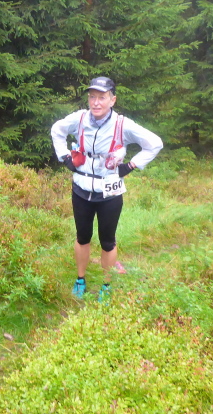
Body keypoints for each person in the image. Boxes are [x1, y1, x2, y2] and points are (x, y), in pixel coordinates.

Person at [51, 76, 163, 300]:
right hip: (81, 188)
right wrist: (64, 157)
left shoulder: (122, 125)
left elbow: (154, 144)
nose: (96, 102)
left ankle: (106, 284)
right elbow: (57, 130)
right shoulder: (79, 119)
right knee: (82, 237)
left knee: (108, 240)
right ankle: (80, 279)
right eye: (92, 97)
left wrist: (130, 166)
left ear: (113, 100)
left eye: (102, 97)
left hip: (110, 192)